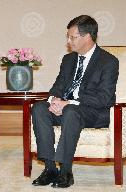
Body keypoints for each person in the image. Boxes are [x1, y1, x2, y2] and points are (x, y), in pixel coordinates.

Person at [31, 15, 119, 188]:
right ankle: (50, 169)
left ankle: (65, 171)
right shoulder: (68, 59)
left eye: (72, 37)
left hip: (93, 113)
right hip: (67, 109)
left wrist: (70, 103)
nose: (68, 40)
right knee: (40, 108)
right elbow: (58, 86)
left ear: (87, 37)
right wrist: (55, 100)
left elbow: (104, 98)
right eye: (68, 36)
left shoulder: (108, 61)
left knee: (71, 111)